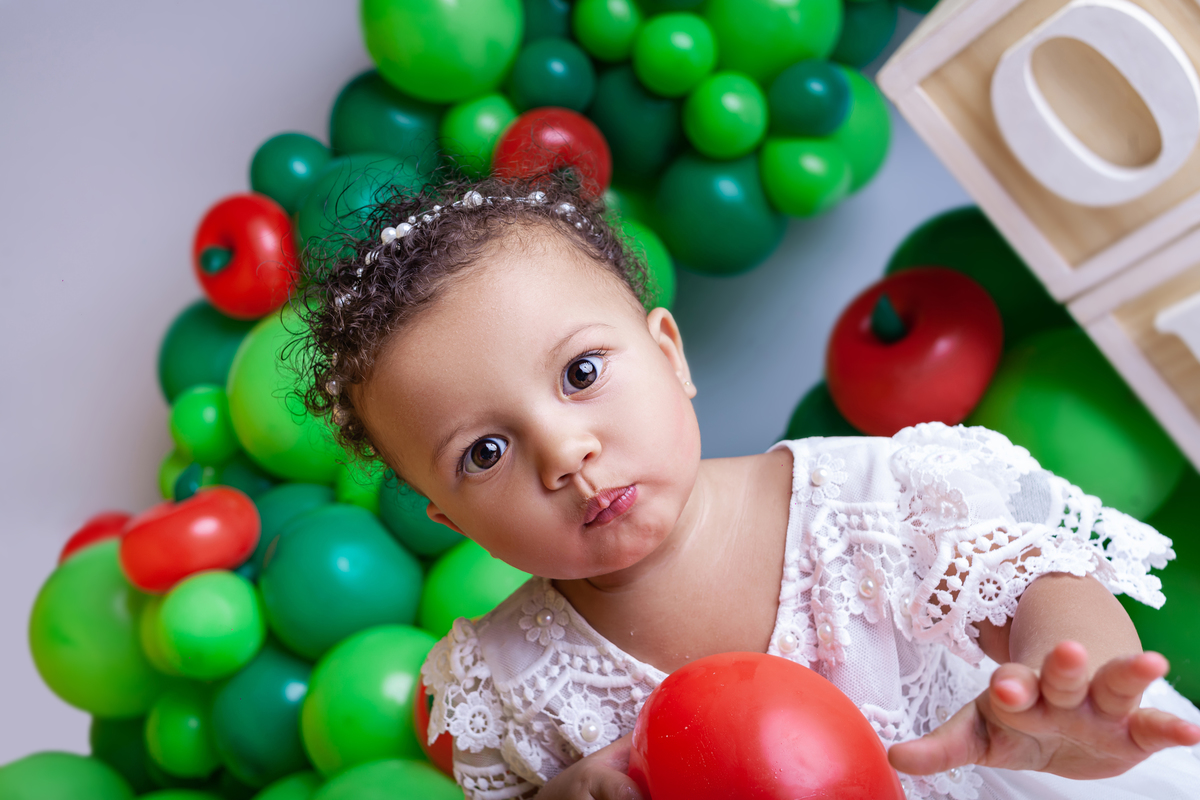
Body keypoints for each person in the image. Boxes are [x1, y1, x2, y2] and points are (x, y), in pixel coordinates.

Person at [296, 167, 1200, 800]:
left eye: (580, 375)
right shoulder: (508, 688)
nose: (564, 453)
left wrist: (1063, 682)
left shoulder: (882, 496)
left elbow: (1042, 583)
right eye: (483, 453)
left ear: (668, 353)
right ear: (449, 519)